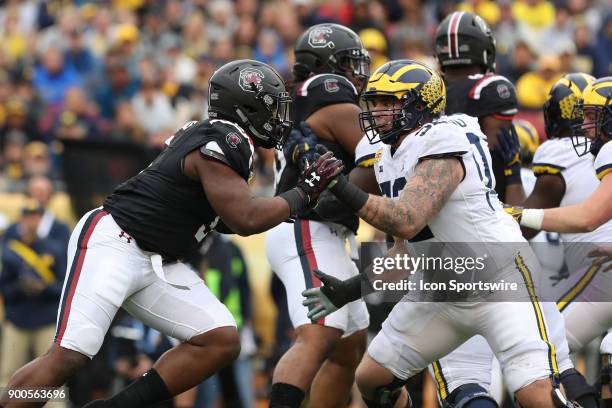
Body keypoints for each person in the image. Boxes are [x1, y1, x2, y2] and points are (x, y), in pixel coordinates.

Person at [1, 59, 343, 408]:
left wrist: (293, 200)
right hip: (116, 242)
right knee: (68, 357)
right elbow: (244, 218)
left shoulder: (225, 140)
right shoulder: (225, 137)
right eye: (272, 107)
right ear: (247, 107)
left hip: (155, 259)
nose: (278, 118)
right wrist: (304, 191)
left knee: (219, 338)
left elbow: (228, 218)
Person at [304, 59, 573, 407]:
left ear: (420, 104)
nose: (379, 111)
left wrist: (341, 188)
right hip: (440, 290)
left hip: (499, 281)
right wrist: (349, 290)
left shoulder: (441, 138)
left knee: (535, 395)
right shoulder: (388, 155)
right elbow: (404, 253)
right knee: (372, 379)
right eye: (377, 103)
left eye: (390, 103)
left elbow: (407, 218)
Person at [266, 23, 373, 408]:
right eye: (349, 63)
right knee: (319, 334)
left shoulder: (300, 102)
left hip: (320, 229)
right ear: (325, 65)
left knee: (348, 350)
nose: (356, 72)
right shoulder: (331, 98)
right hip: (308, 227)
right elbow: (380, 160)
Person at [509, 76, 612, 405]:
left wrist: (518, 214)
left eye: (594, 116)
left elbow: (586, 218)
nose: (585, 126)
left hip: (600, 271)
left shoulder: (577, 151)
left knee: (541, 345)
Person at [0, 201, 66, 387]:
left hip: (46, 319)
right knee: (8, 374)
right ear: (21, 220)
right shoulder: (10, 251)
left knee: (51, 377)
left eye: (35, 217)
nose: (31, 222)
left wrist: (43, 288)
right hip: (17, 319)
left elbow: (65, 286)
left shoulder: (55, 249)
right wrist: (21, 287)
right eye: (27, 218)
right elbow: (4, 288)